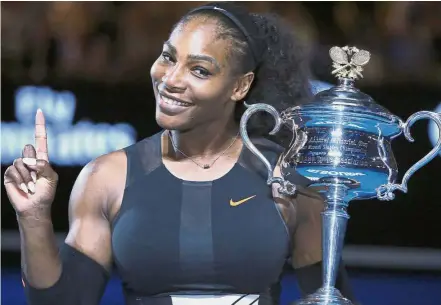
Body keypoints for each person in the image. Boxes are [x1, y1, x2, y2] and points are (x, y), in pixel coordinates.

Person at [4, 2, 356, 305]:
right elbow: (65, 301)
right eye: (168, 57)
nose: (171, 79)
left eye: (199, 70)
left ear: (240, 86)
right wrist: (33, 219)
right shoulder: (106, 178)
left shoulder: (288, 179)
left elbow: (331, 294)